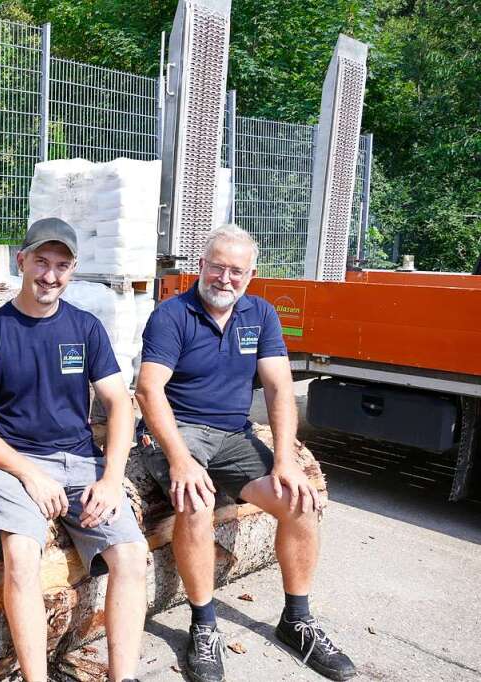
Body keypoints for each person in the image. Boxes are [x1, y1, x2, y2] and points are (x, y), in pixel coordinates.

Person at [134, 224, 357, 682]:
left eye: (236, 271)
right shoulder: (172, 315)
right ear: (201, 266)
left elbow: (278, 388)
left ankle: (297, 621)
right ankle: (204, 625)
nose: (225, 278)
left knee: (300, 502)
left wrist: (285, 462)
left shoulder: (261, 314)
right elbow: (149, 389)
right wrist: (179, 458)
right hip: (178, 431)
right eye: (217, 267)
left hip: (234, 436)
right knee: (196, 502)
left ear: (250, 275)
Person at [0, 217, 148, 682]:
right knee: (23, 554)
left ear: (73, 270)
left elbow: (120, 405)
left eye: (62, 265)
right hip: (12, 466)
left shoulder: (85, 329)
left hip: (82, 464)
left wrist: (109, 478)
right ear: (21, 261)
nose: (50, 275)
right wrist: (28, 473)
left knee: (131, 556)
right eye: (41, 261)